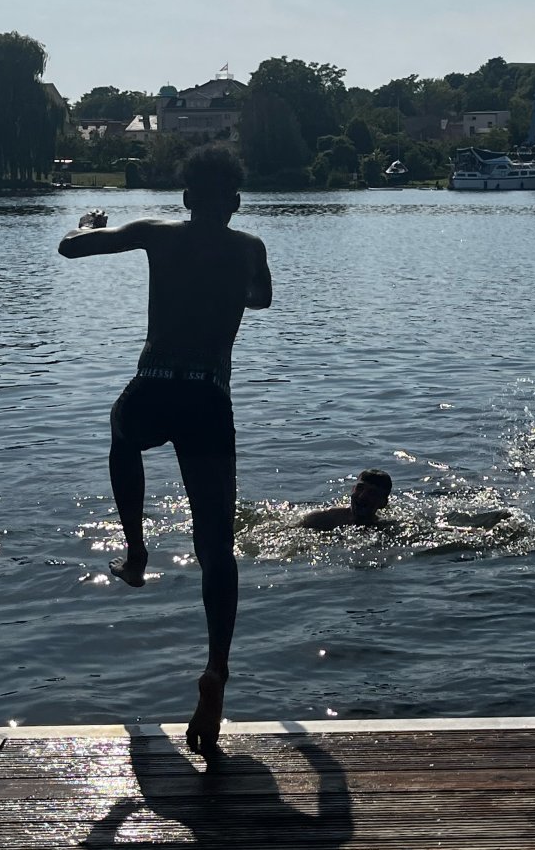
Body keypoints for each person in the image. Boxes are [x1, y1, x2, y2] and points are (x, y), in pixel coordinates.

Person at [58, 145, 272, 757]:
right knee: (216, 546)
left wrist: (88, 223)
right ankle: (217, 670)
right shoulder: (249, 247)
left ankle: (135, 550)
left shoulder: (157, 233)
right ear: (235, 202)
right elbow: (261, 299)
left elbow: (71, 248)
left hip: (154, 387)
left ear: (186, 198)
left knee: (122, 432)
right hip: (208, 398)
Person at [300, 470, 394, 532]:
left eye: (372, 493)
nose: (362, 496)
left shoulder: (386, 528)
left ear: (383, 503)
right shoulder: (321, 518)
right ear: (352, 490)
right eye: (360, 488)